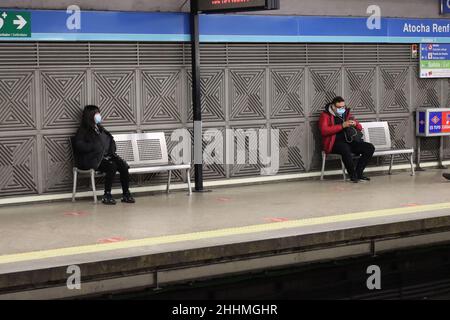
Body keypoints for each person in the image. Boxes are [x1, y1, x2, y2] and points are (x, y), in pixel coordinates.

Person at [74, 105, 135, 205]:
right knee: (112, 166)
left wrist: (111, 149)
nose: (99, 115)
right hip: (93, 159)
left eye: (99, 113)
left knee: (123, 165)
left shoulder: (100, 128)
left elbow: (108, 141)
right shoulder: (83, 130)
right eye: (96, 113)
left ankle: (126, 193)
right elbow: (79, 145)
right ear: (90, 116)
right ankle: (107, 195)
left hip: (106, 157)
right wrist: (93, 146)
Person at [319, 96, 375, 183]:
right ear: (333, 107)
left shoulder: (347, 113)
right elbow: (324, 131)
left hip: (349, 141)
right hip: (333, 144)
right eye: (339, 107)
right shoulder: (325, 115)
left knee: (369, 147)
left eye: (343, 107)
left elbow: (360, 127)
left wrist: (355, 123)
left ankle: (358, 173)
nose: (342, 109)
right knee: (345, 149)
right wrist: (342, 126)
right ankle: (353, 175)